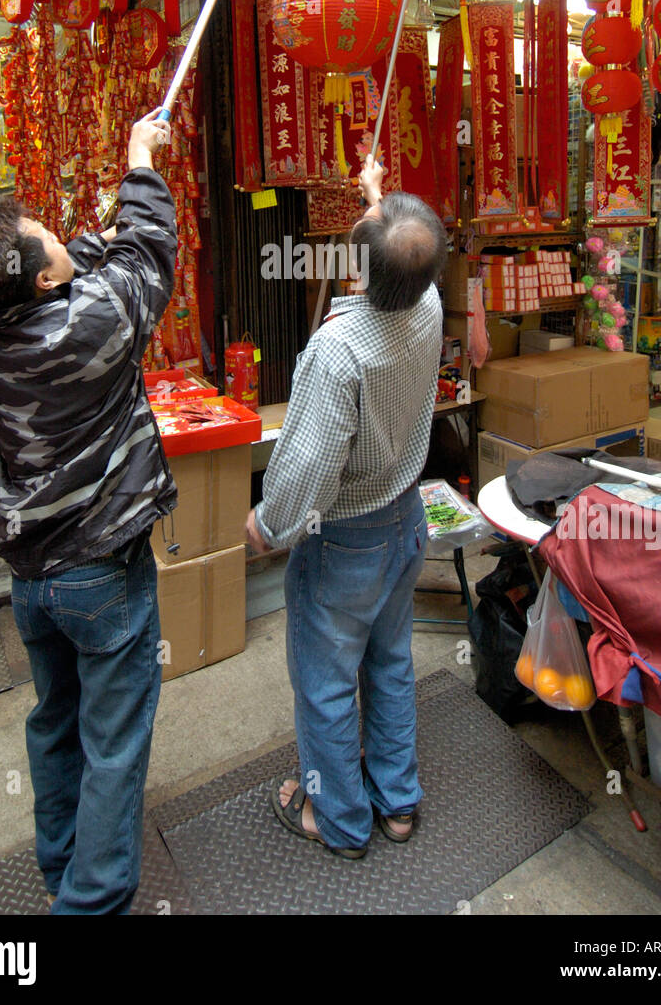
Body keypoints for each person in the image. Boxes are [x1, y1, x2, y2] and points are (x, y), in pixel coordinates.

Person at [0, 110, 176, 914]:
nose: (58, 234)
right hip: (101, 569)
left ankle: (60, 863)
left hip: (33, 578)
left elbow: (99, 263)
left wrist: (101, 221)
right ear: (44, 280)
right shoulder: (98, 320)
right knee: (113, 742)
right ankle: (91, 903)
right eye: (45, 235)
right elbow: (147, 258)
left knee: (55, 721)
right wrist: (141, 159)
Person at [246, 154, 447, 858]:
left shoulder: (337, 350)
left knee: (327, 685)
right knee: (389, 662)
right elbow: (400, 244)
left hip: (346, 541)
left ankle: (337, 819)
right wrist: (374, 193)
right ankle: (397, 802)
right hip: (405, 523)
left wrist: (268, 525)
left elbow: (306, 466)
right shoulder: (428, 304)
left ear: (360, 267)